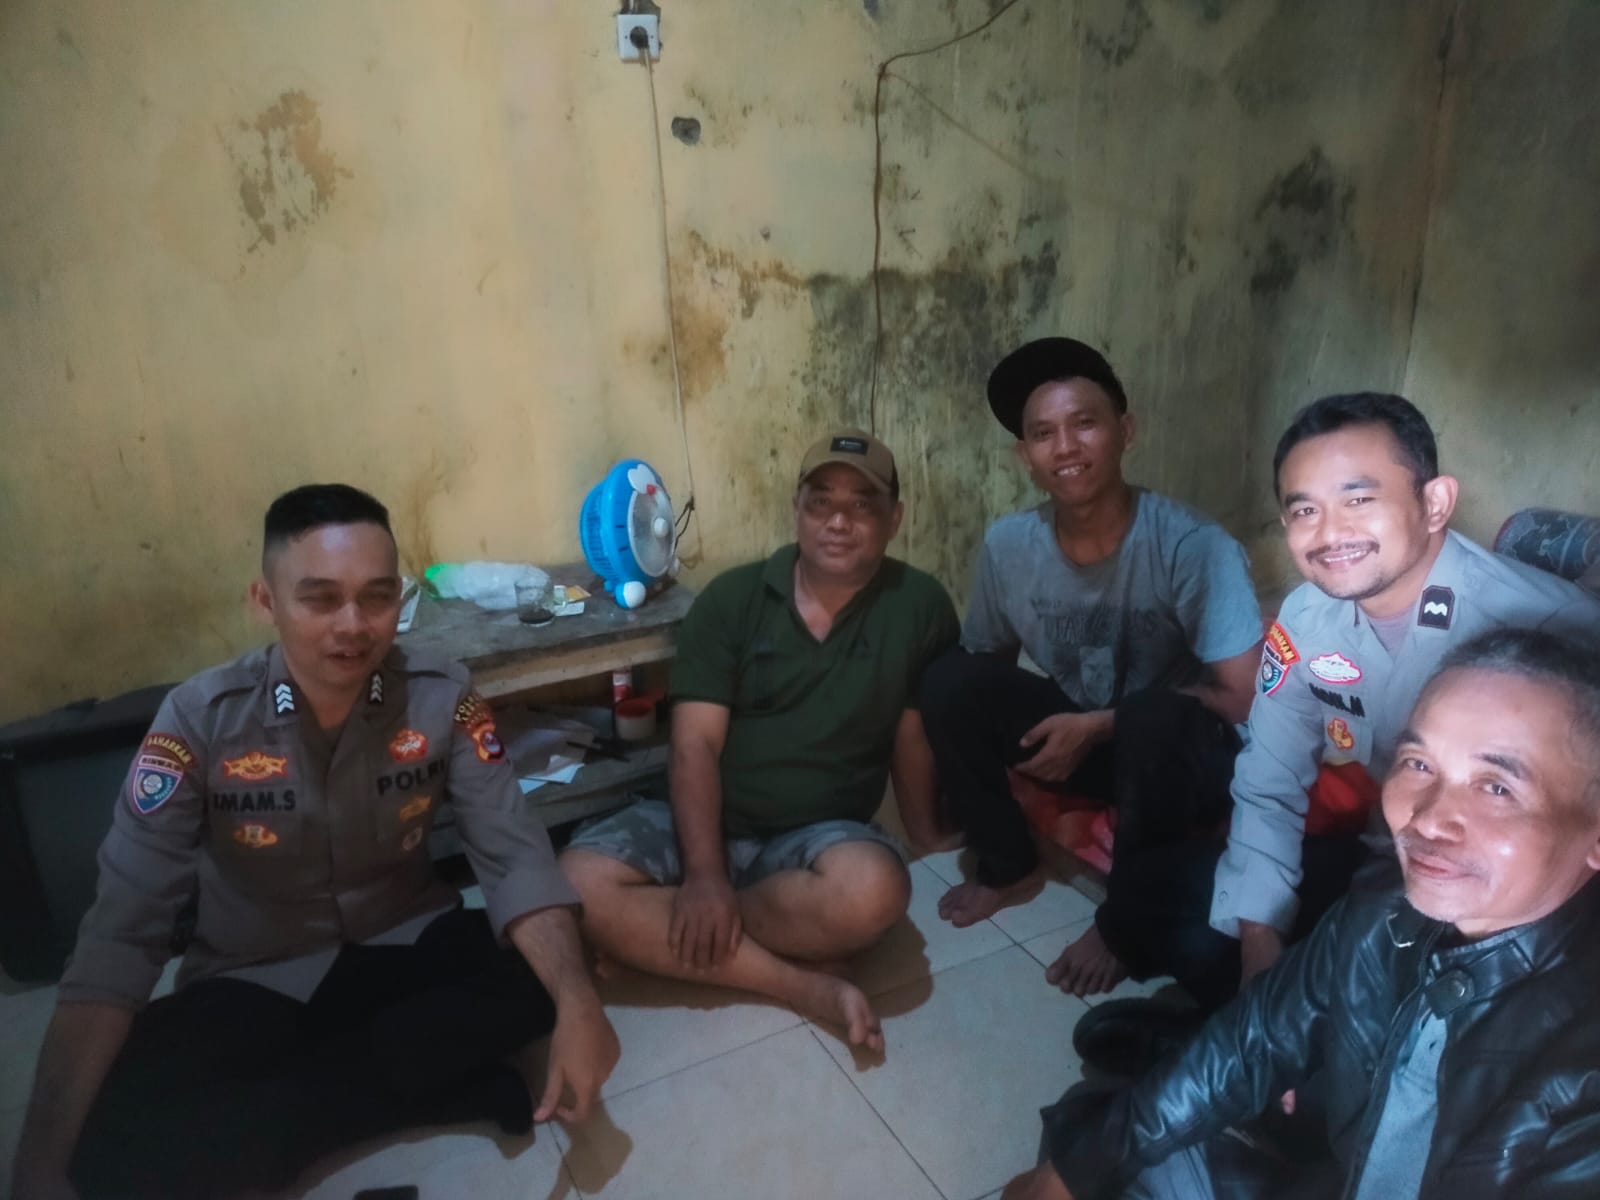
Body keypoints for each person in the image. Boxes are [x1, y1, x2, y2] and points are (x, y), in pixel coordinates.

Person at [11, 484, 619, 1200]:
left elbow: (512, 853)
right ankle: (425, 1086)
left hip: (406, 941)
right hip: (258, 974)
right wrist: (37, 1166)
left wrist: (578, 1001)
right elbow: (123, 929)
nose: (352, 626)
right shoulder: (200, 720)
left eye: (377, 597)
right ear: (265, 602)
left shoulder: (440, 694)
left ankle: (302, 1115)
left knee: (551, 972)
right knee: (111, 1135)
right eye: (321, 599)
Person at [1075, 392, 1600, 1071]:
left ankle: (1283, 1061)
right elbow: (1269, 774)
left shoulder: (1552, 628)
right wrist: (1260, 940)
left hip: (1511, 898)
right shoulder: (1305, 621)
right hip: (1390, 856)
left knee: (1425, 1017)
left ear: (1435, 503)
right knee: (1164, 894)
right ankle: (1271, 1039)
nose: (1329, 533)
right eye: (1304, 510)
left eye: (1358, 499)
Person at [1003, 628, 1600, 1199]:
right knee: (1086, 1138)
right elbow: (1257, 1036)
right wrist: (1077, 1172)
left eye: (1497, 787)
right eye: (1418, 764)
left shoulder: (1581, 1065)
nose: (1427, 818)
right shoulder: (1382, 910)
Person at [560, 429, 958, 1055]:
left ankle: (664, 937)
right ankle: (800, 983)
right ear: (796, 509)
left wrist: (926, 834)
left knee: (875, 892)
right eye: (821, 502)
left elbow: (913, 735)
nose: (838, 522)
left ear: (895, 519)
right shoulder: (733, 600)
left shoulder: (920, 606)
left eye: (862, 505)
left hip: (819, 838)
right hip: (704, 823)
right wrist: (705, 876)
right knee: (575, 882)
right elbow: (693, 747)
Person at [920, 337, 1263, 996]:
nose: (1065, 447)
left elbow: (1245, 696)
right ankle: (1007, 863)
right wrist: (1009, 730)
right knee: (948, 680)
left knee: (1153, 719)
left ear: (1125, 432)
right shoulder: (1009, 545)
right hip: (1091, 741)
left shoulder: (1192, 545)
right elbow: (986, 667)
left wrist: (1104, 725)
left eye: (1085, 423)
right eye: (1043, 434)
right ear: (1024, 456)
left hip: (1180, 756)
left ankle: (1123, 924)